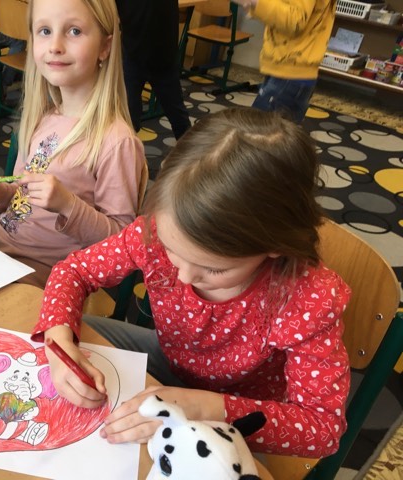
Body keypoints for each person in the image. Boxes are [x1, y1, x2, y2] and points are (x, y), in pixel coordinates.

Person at [31, 107, 352, 458]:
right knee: (79, 331)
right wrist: (59, 342)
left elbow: (323, 429)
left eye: (212, 269)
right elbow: (74, 271)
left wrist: (204, 408)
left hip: (240, 412)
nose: (182, 277)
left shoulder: (307, 299)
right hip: (170, 362)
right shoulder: (153, 233)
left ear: (275, 246)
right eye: (171, 250)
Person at [0, 0, 147, 288]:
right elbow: (22, 195)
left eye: (74, 31)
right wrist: (0, 193)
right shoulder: (42, 117)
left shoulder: (116, 141)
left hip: (47, 274)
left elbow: (120, 245)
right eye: (45, 31)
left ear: (105, 47)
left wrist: (67, 204)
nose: (55, 46)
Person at [232, 0, 336, 123]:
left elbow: (295, 21)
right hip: (285, 66)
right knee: (264, 127)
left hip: (292, 72)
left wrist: (256, 2)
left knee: (259, 128)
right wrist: (254, 5)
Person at [115, 0, 190, 139]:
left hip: (163, 59)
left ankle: (191, 152)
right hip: (133, 56)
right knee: (128, 117)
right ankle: (127, 149)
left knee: (178, 117)